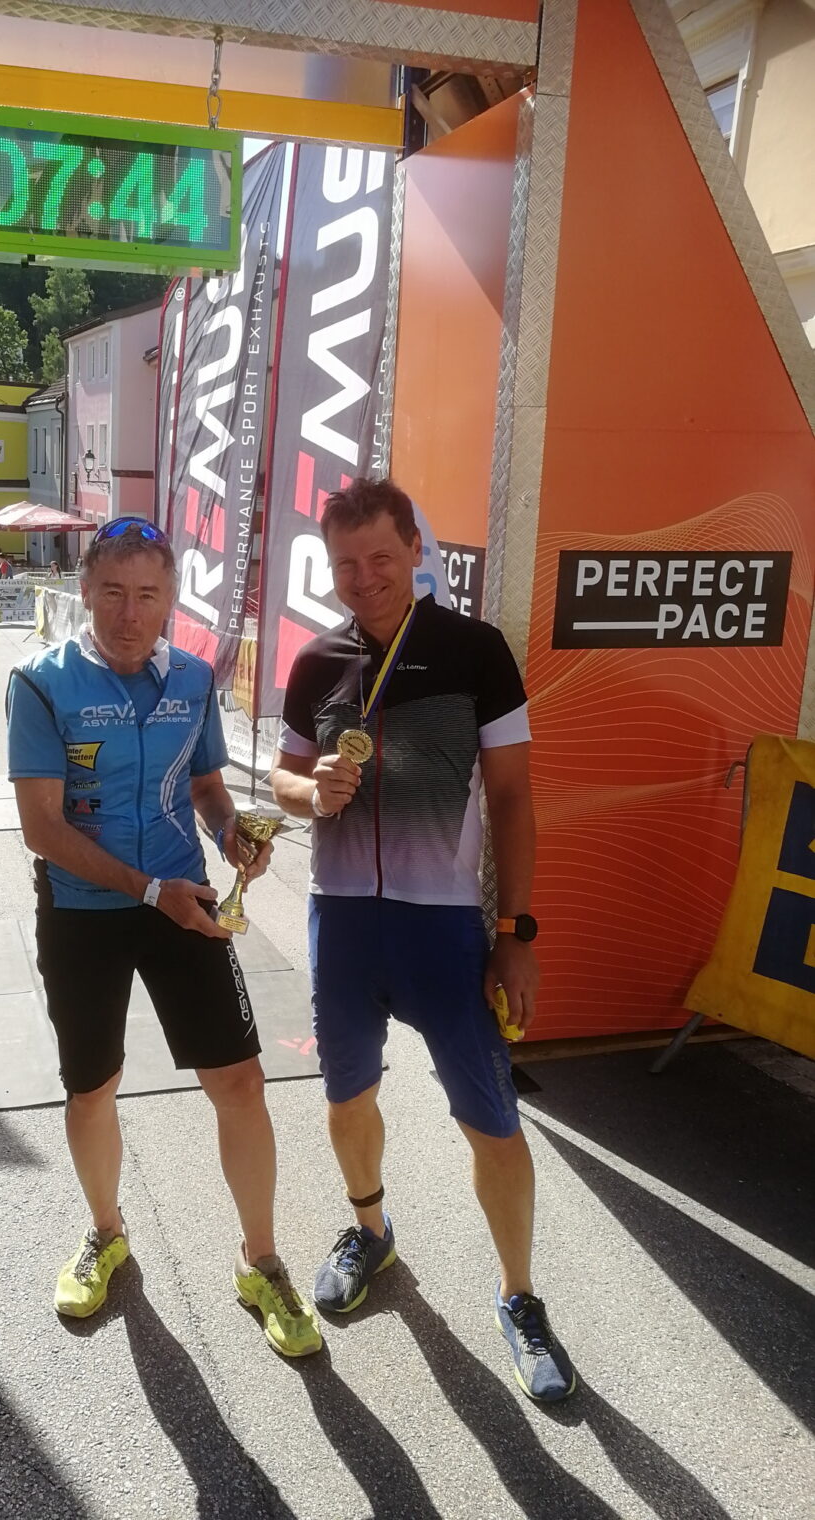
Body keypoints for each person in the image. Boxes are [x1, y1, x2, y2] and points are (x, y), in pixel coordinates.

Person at [270, 477, 575, 1402]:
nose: (364, 578)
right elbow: (281, 783)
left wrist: (516, 931)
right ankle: (371, 1231)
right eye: (345, 564)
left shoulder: (475, 651)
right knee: (347, 1098)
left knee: (492, 1121)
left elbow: (514, 798)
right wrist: (311, 789)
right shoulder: (315, 662)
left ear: (415, 551)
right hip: (341, 920)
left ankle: (520, 1296)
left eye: (381, 558)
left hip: (442, 926)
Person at [7, 516, 322, 1358]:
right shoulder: (40, 683)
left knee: (242, 1083)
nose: (129, 613)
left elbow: (207, 787)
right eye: (112, 592)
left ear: (171, 600)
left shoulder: (191, 677)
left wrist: (231, 834)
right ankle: (106, 1233)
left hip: (186, 896)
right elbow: (41, 827)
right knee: (92, 1088)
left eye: (148, 595)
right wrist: (150, 891)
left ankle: (261, 1261)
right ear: (85, 591)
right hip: (86, 911)